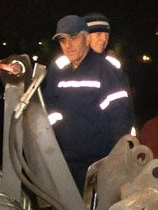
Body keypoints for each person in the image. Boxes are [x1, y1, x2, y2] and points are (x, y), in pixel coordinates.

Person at [42, 15, 135, 191]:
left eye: (74, 37)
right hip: (63, 162)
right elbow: (47, 107)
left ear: (86, 37)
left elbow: (120, 116)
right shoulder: (57, 71)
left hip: (98, 163)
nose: (68, 45)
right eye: (63, 39)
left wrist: (116, 160)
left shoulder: (105, 69)